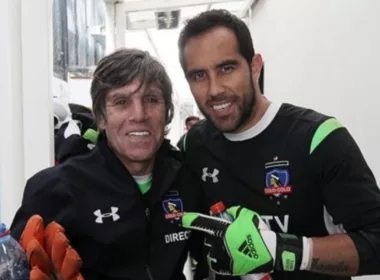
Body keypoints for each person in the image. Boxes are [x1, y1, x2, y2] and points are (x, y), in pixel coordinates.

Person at [176, 9, 380, 280]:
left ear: (255, 66)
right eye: (199, 75)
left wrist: (285, 250)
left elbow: (376, 244)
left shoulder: (317, 138)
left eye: (226, 68)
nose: (214, 89)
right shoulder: (193, 145)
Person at [11, 48, 205, 279]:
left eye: (151, 100)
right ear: (101, 117)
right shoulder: (54, 189)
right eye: (121, 102)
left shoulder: (186, 178)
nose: (139, 114)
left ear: (167, 113)